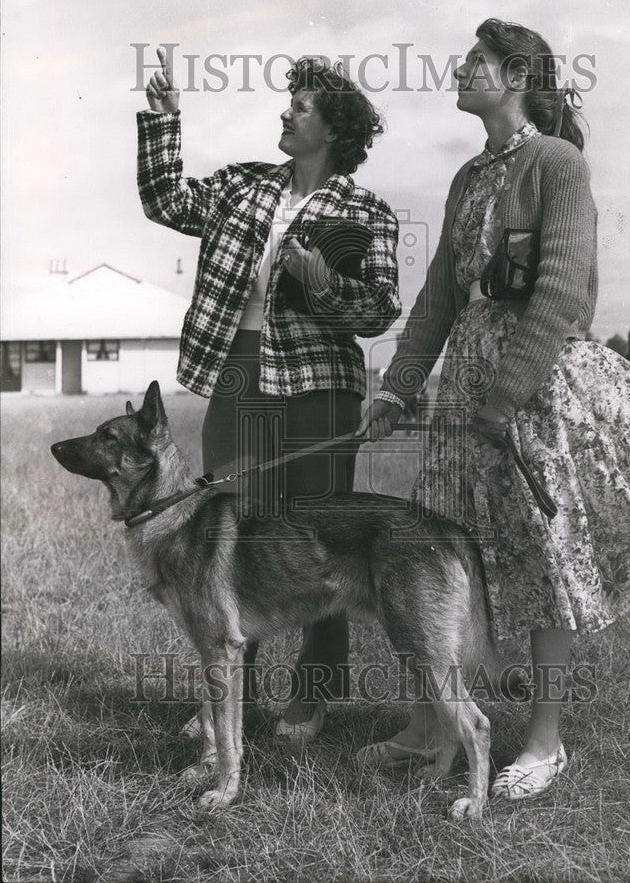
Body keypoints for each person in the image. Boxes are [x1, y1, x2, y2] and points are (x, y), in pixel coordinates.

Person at [355, 18, 630, 800]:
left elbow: (558, 290)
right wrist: (398, 389)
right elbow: (439, 297)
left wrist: (504, 398)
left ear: (514, 76)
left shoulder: (558, 163)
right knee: (441, 556)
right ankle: (431, 725)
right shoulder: (467, 176)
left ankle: (545, 743)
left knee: (545, 564)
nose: (458, 68)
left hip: (531, 390)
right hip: (465, 390)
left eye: (474, 61)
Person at [137, 49, 401, 740]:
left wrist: (323, 285)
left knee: (320, 541)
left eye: (302, 105)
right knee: (229, 534)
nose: (287, 111)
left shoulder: (363, 210)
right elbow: (167, 201)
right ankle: (230, 694)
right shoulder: (242, 187)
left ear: (335, 128)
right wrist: (164, 123)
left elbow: (378, 311)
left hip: (321, 386)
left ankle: (314, 692)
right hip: (238, 372)